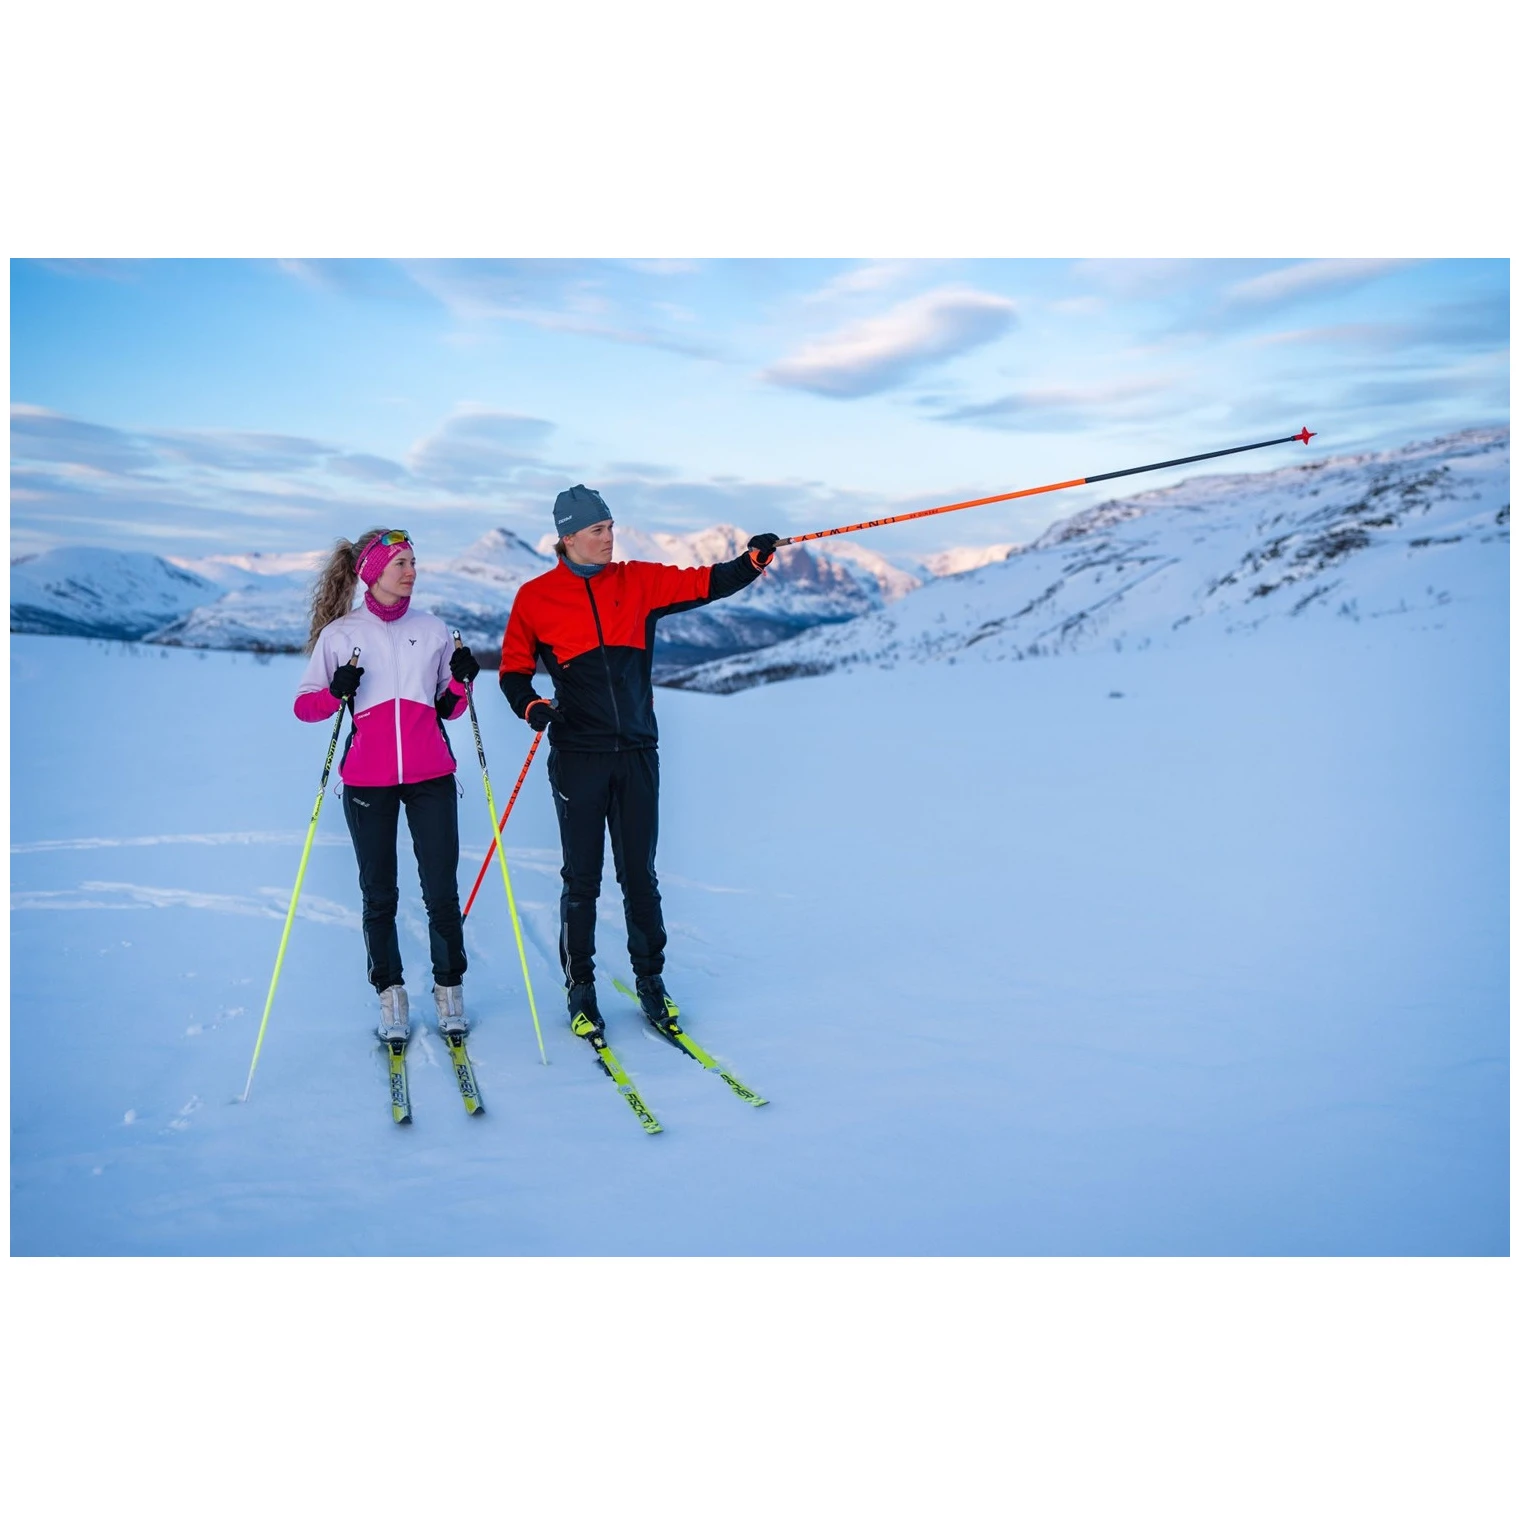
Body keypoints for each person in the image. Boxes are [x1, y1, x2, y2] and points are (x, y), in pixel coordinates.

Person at [497, 485, 780, 1040]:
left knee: (640, 878)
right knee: (581, 880)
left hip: (636, 754)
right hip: (578, 757)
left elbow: (706, 582)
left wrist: (751, 562)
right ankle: (581, 988)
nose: (609, 538)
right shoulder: (535, 598)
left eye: (611, 527)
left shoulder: (638, 581)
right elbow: (512, 670)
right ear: (568, 537)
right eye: (597, 530)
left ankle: (651, 981)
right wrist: (530, 706)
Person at [294, 527, 483, 1045]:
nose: (412, 572)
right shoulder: (340, 635)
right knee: (379, 895)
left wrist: (462, 681)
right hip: (367, 781)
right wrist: (336, 692)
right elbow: (306, 706)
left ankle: (449, 990)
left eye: (414, 562)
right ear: (372, 572)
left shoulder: (433, 629)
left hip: (431, 776)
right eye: (401, 563)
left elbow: (449, 707)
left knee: (441, 891)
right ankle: (391, 995)